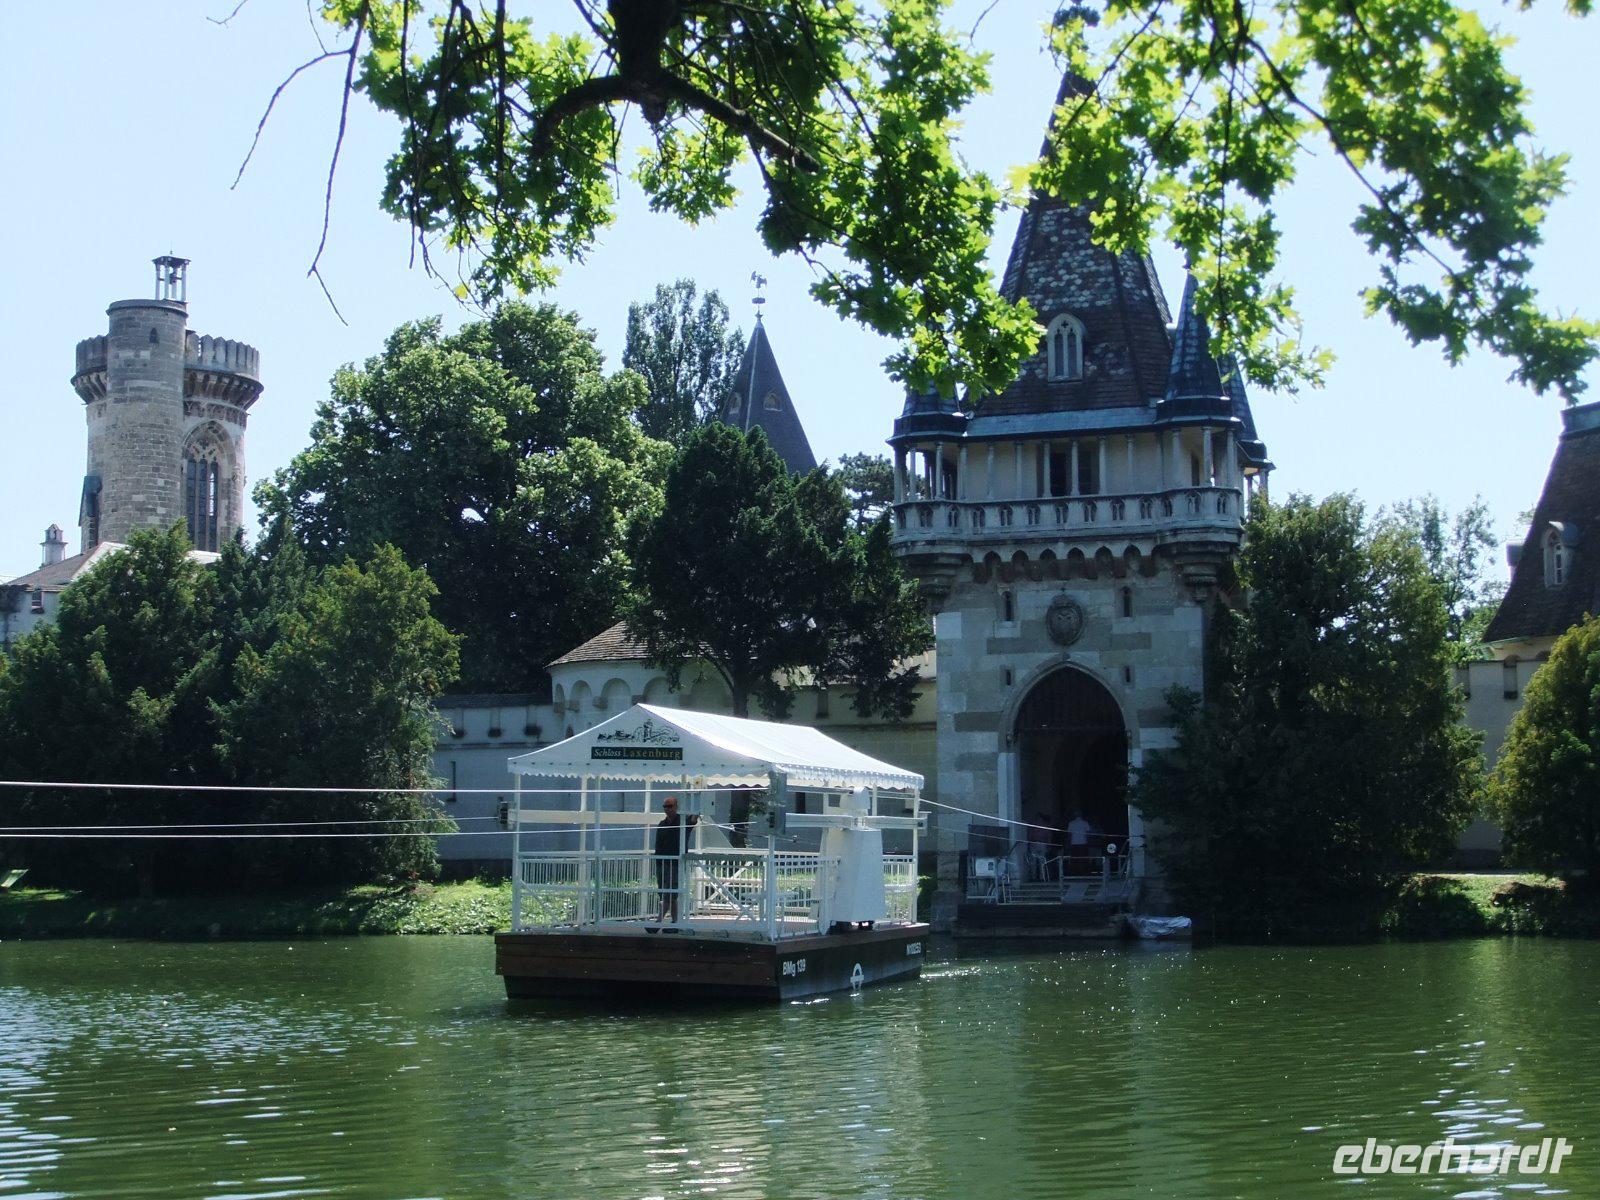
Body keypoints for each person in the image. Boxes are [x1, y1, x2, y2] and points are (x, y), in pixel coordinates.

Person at [654, 796, 698, 925]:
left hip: (676, 864)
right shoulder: (662, 824)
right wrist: (657, 861)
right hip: (661, 863)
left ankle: (658, 922)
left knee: (671, 893)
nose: (667, 809)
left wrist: (698, 799)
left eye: (670, 806)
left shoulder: (683, 821)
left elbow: (694, 819)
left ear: (676, 806)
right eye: (665, 806)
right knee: (665, 893)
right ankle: (675, 921)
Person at [1065, 809, 1095, 876]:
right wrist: (1089, 843)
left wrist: (1068, 844)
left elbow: (1069, 835)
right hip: (1083, 843)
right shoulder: (1085, 823)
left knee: (1074, 859)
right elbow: (1088, 835)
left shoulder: (1071, 823)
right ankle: (1082, 872)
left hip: (1074, 844)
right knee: (1083, 859)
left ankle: (1075, 872)